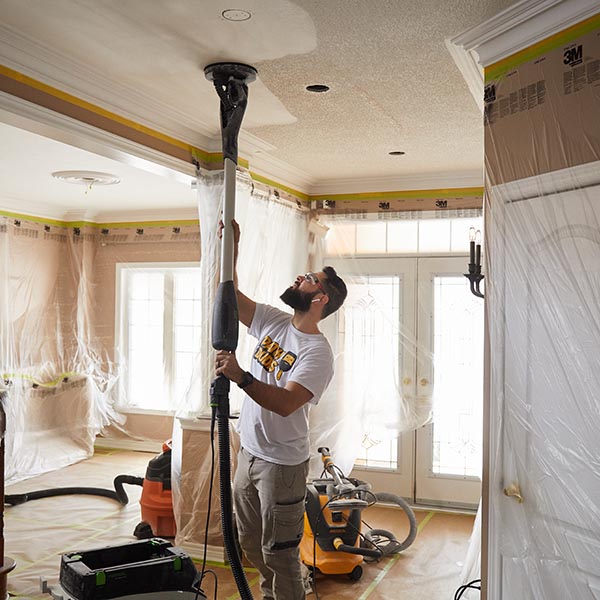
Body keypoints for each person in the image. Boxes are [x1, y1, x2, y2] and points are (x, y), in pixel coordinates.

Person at [215, 219, 347, 600]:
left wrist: (241, 376)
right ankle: (272, 594)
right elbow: (230, 298)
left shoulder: (317, 352)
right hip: (249, 454)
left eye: (309, 278)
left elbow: (288, 403)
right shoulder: (273, 320)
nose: (299, 278)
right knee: (250, 542)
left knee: (281, 552)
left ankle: (288, 592)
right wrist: (232, 248)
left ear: (320, 298)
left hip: (283, 465)